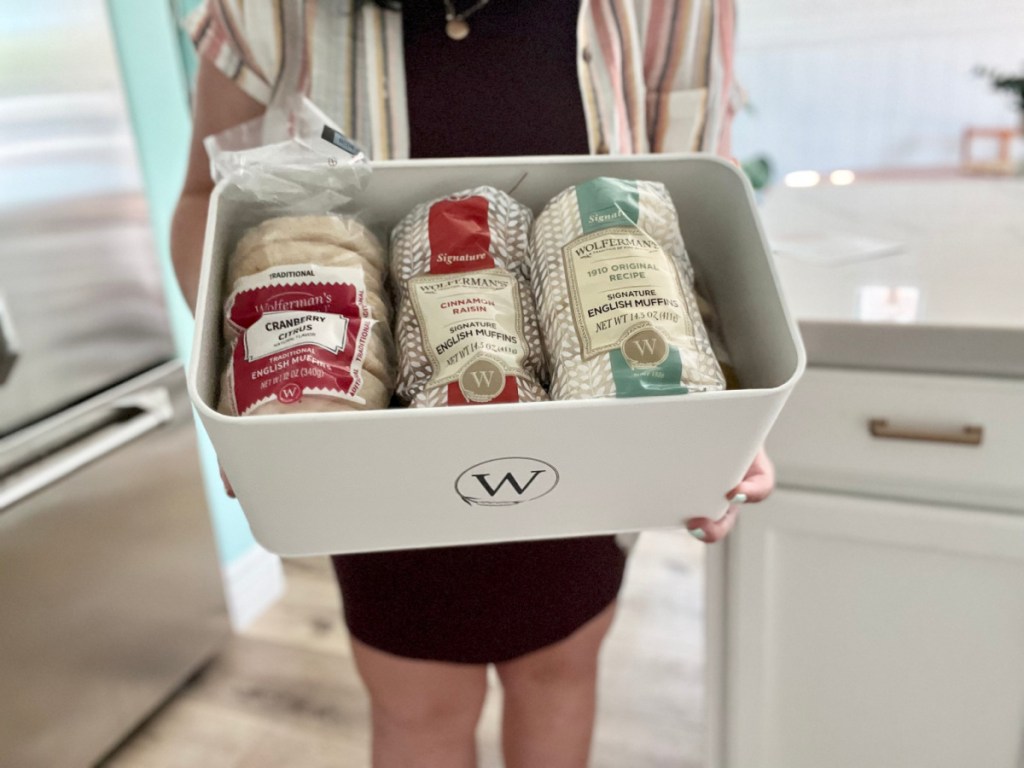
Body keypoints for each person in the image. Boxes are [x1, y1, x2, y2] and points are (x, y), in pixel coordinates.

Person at [173, 2, 774, 766]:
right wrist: (243, 380)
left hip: (585, 417)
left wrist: (722, 422)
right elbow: (204, 200)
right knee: (418, 705)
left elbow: (686, 214)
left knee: (560, 671)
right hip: (377, 442)